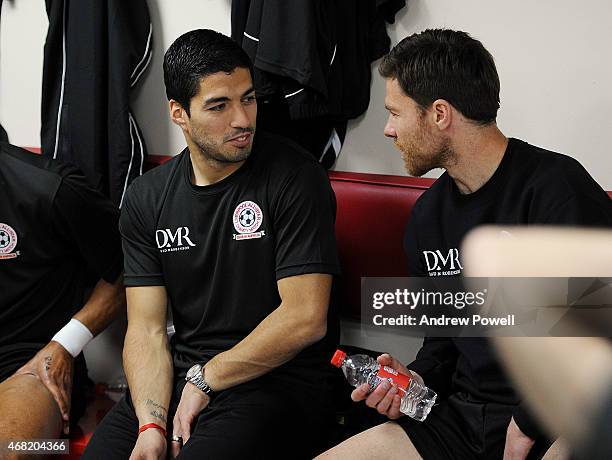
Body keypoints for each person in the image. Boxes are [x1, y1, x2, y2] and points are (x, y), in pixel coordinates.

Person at [318, 29, 612, 460]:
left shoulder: (557, 189)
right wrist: (414, 380)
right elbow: (442, 342)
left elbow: (597, 336)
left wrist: (529, 425)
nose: (387, 129)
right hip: (460, 417)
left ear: (439, 114)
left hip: (559, 414)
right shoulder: (428, 217)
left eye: (395, 113)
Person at [83, 29, 340, 460]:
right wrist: (150, 422)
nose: (242, 119)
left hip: (277, 382)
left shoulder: (295, 177)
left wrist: (206, 379)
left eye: (249, 98)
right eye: (219, 106)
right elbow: (146, 330)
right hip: (183, 377)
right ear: (178, 113)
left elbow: (305, 318)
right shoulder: (148, 198)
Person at [0, 142, 125, 458]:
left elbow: (131, 266)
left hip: (29, 364)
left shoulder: (51, 188)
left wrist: (66, 344)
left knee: (13, 450)